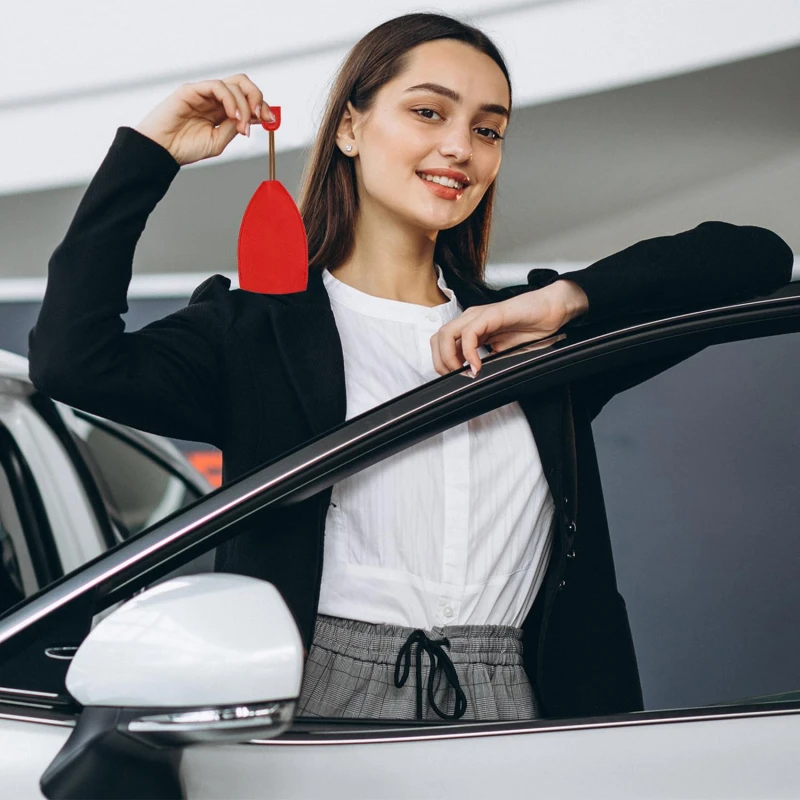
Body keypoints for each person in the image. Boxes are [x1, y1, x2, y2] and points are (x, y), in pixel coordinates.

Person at [28, 13, 793, 722]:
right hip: (319, 694)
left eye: (488, 129)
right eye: (429, 112)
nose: (461, 147)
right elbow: (72, 360)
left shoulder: (530, 335)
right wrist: (150, 152)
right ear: (352, 128)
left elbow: (755, 255)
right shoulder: (257, 333)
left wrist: (564, 302)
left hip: (525, 699)